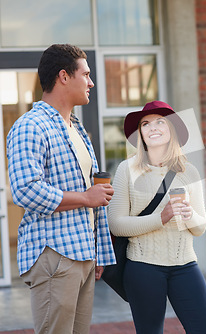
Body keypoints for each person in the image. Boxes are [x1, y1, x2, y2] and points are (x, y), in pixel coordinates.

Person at [7, 44, 115, 334]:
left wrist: (97, 252)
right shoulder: (30, 126)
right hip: (54, 254)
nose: (91, 82)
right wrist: (86, 198)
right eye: (86, 74)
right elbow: (25, 191)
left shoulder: (76, 128)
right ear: (64, 76)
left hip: (82, 254)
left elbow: (91, 196)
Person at [107, 101, 206, 334]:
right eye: (145, 124)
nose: (153, 127)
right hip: (143, 268)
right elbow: (116, 224)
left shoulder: (190, 172)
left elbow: (200, 227)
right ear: (140, 134)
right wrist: (161, 217)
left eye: (160, 122)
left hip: (185, 266)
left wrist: (189, 215)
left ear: (171, 130)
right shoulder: (126, 170)